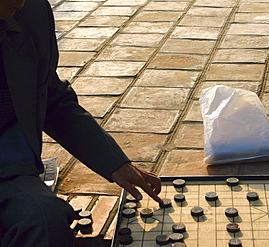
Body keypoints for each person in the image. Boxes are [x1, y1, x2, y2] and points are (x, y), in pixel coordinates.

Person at [0, 0, 162, 246]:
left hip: (8, 167)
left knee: (44, 219)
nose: (20, 2)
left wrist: (113, 162)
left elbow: (50, 98)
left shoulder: (30, 11)